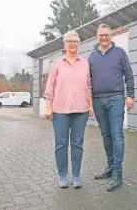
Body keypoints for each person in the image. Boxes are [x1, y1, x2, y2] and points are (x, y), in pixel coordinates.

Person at [44, 30, 94, 189]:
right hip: (60, 111)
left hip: (81, 111)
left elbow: (88, 86)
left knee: (78, 144)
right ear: (64, 44)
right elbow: (49, 86)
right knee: (61, 144)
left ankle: (76, 176)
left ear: (79, 44)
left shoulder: (85, 63)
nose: (73, 43)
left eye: (76, 41)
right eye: (70, 41)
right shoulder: (57, 63)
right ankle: (62, 175)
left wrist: (91, 106)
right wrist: (48, 107)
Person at [88, 24, 135, 191]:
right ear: (97, 37)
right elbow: (88, 82)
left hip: (116, 99)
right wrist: (89, 102)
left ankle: (117, 173)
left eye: (107, 35)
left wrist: (130, 95)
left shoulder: (120, 53)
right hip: (98, 100)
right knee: (106, 135)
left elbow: (128, 75)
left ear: (111, 36)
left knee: (116, 135)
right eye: (101, 35)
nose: (104, 38)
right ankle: (109, 167)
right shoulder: (92, 56)